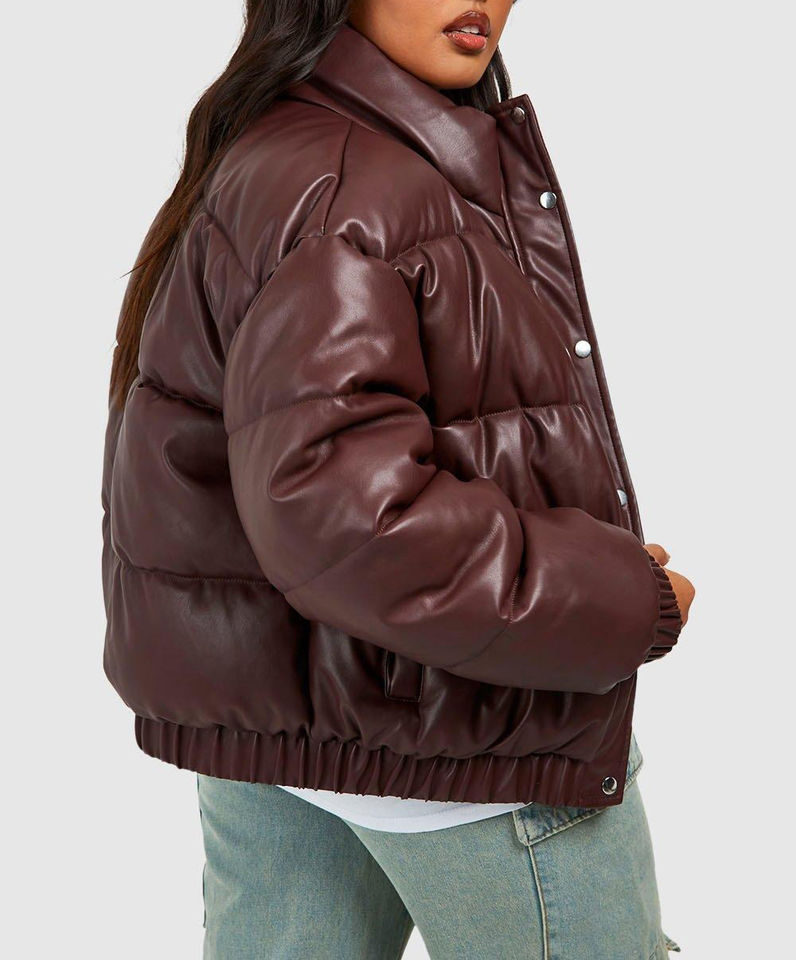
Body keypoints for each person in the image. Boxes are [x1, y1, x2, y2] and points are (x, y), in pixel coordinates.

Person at [102, 1, 695, 956]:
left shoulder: (289, 150)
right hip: (470, 742)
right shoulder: (350, 186)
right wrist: (620, 597)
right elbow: (343, 516)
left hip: (294, 744)